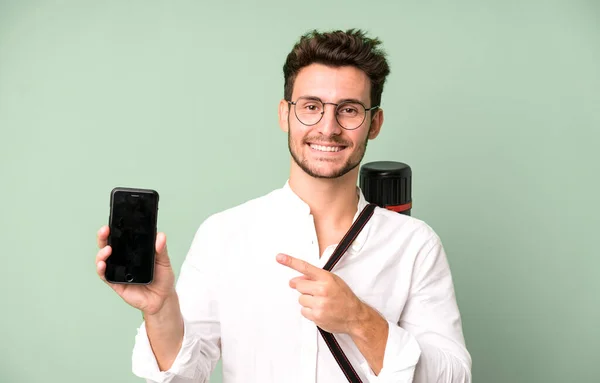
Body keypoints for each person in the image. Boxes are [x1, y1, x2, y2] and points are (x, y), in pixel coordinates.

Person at [95, 28, 472, 383]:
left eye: (350, 110)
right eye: (311, 106)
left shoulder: (415, 244)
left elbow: (455, 376)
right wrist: (159, 310)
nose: (328, 127)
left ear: (374, 124)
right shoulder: (224, 234)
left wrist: (360, 320)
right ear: (284, 114)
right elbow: (184, 376)